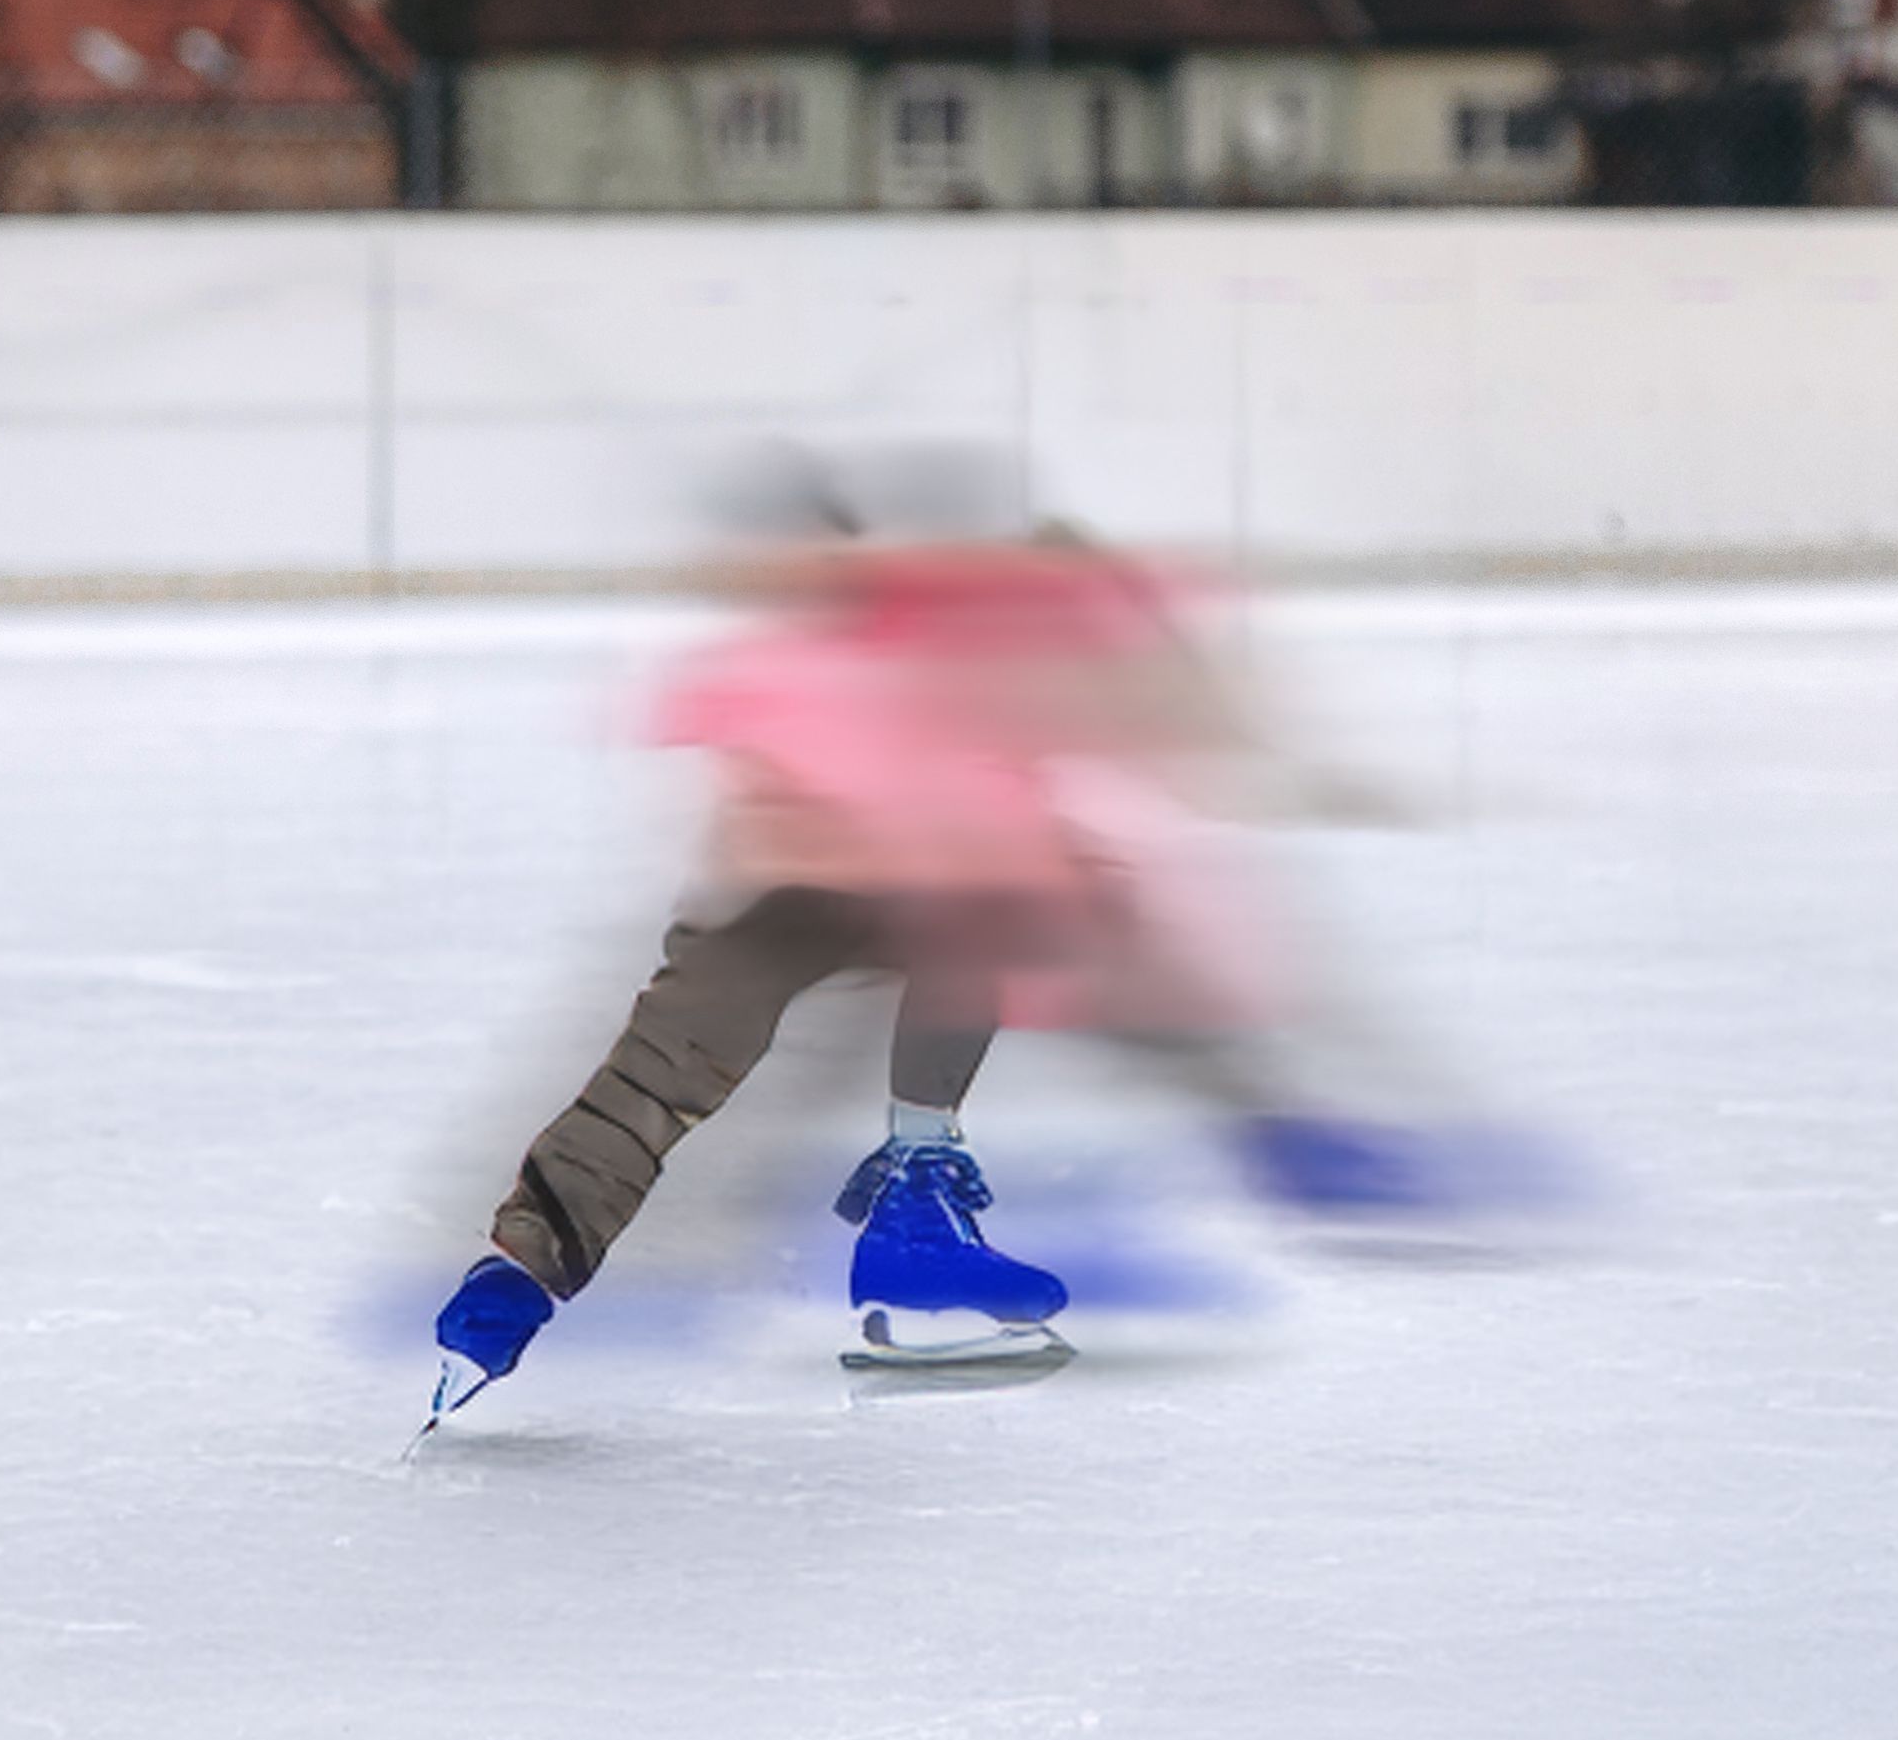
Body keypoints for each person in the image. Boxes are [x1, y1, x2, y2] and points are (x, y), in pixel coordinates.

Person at [427, 466, 1426, 1415]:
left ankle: (919, 1216)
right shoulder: (787, 682)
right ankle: (524, 1271)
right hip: (801, 881)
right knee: (694, 1034)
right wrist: (526, 1258)